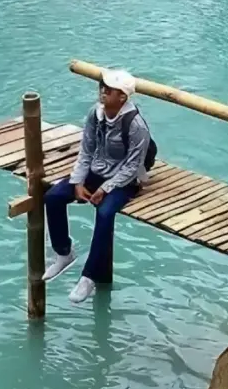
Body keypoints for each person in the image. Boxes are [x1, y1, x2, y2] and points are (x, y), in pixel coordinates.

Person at [43, 68, 153, 304]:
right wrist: (78, 181)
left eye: (110, 89)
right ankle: (64, 253)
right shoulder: (96, 113)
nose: (103, 91)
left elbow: (132, 167)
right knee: (53, 196)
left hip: (125, 180)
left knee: (105, 213)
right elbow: (86, 149)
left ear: (122, 97)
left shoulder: (137, 126)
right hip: (97, 170)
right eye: (103, 86)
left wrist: (106, 188)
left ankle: (89, 276)